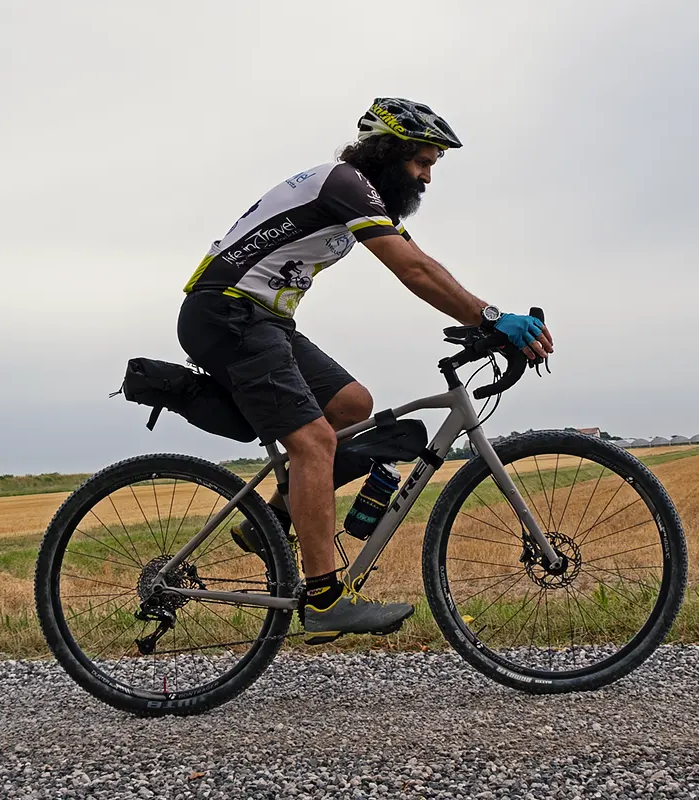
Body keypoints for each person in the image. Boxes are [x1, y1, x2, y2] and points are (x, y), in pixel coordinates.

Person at [177, 97, 553, 643]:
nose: (426, 176)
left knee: (353, 406)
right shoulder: (344, 182)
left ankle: (271, 523)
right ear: (389, 151)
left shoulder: (363, 195)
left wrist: (483, 321)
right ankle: (325, 599)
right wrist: (494, 317)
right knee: (312, 443)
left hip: (262, 319)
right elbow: (414, 271)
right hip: (226, 312)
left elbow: (423, 262)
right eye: (421, 161)